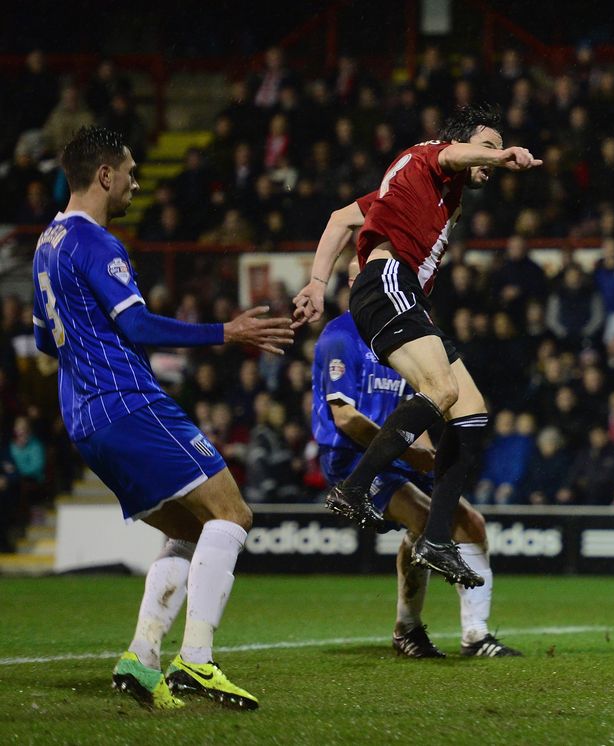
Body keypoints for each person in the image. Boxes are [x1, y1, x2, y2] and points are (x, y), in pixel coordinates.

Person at [31, 127, 294, 710]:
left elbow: (44, 340)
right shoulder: (95, 243)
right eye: (129, 172)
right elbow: (139, 326)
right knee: (232, 512)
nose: (136, 183)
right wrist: (229, 331)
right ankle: (196, 662)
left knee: (190, 528)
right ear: (104, 175)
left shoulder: (46, 244)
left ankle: (142, 657)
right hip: (127, 402)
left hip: (83, 419)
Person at [292, 104, 541, 588]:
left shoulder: (422, 190)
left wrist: (316, 283)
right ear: (462, 145)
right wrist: (500, 154)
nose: (487, 158)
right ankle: (355, 486)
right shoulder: (429, 156)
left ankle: (435, 540)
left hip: (402, 293)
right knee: (441, 390)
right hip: (387, 280)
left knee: (469, 410)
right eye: (484, 146)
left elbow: (342, 218)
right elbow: (452, 155)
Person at [312, 266, 520, 657]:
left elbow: (417, 410)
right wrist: (410, 453)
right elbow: (345, 418)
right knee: (426, 521)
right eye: (361, 275)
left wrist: (429, 458)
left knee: (469, 524)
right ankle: (409, 630)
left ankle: (475, 635)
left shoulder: (401, 335)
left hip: (398, 453)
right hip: (352, 459)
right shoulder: (340, 337)